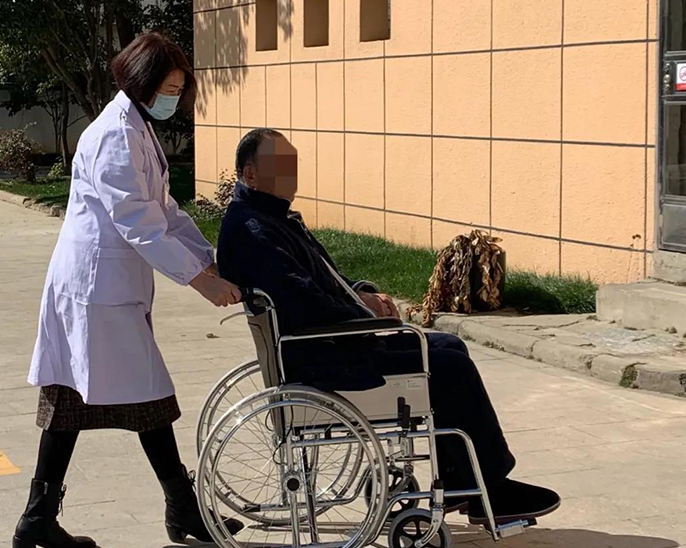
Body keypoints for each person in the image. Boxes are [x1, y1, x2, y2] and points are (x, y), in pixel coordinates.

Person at [216, 128, 562, 527]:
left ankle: (463, 480)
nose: (292, 174)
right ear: (250, 174)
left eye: (293, 165)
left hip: (331, 343)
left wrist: (362, 293)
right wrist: (364, 313)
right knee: (450, 366)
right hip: (322, 356)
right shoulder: (254, 230)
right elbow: (303, 300)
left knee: (450, 347)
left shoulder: (271, 218)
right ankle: (491, 489)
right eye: (281, 166)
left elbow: (324, 279)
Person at [13, 33, 243, 548]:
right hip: (95, 290)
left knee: (76, 400)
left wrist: (209, 259)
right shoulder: (116, 134)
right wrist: (200, 281)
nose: (173, 98)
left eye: (178, 90)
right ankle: (180, 509)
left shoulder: (136, 127)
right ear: (142, 83)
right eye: (168, 88)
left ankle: (37, 520)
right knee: (142, 394)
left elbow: (165, 210)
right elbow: (138, 221)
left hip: (105, 289)